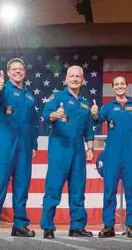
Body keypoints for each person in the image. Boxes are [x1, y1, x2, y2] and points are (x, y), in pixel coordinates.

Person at [0, 58, 39, 238]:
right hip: (3, 145)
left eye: (20, 69)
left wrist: (34, 144)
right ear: (8, 73)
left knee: (22, 186)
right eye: (14, 69)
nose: (17, 71)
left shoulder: (30, 96)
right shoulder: (3, 90)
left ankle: (20, 225)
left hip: (24, 148)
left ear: (24, 72)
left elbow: (33, 123)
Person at [91, 75, 132, 238]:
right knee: (109, 191)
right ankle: (108, 226)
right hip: (112, 156)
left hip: (130, 154)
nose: (119, 86)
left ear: (126, 86)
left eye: (122, 84)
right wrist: (94, 114)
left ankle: (130, 225)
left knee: (131, 191)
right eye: (116, 84)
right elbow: (97, 121)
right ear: (113, 87)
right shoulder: (108, 107)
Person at [40, 66, 95, 239]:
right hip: (60, 147)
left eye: (78, 76)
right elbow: (46, 114)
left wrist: (90, 148)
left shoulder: (85, 103)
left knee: (78, 189)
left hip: (79, 149)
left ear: (83, 80)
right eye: (72, 76)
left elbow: (89, 130)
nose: (75, 79)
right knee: (54, 188)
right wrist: (55, 114)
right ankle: (48, 226)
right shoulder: (57, 97)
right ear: (66, 79)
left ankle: (77, 226)